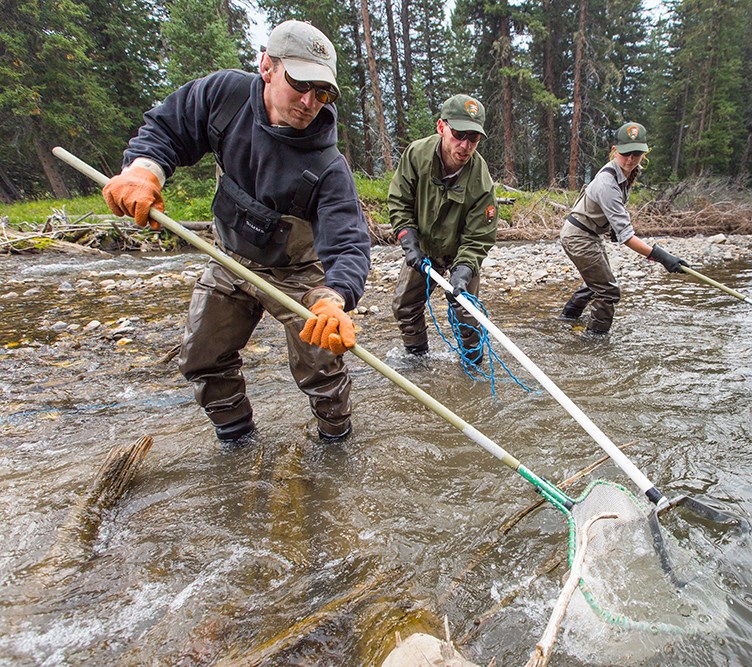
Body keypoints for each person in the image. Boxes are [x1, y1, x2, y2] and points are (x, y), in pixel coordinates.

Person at [101, 20, 370, 445]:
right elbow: (168, 129)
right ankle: (238, 443)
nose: (308, 101)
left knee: (322, 368)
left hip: (298, 273)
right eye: (299, 83)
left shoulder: (329, 165)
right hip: (230, 258)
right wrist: (143, 171)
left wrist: (335, 298)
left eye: (322, 92)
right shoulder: (222, 97)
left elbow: (349, 241)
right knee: (202, 358)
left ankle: (337, 441)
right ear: (267, 66)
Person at [388, 94, 498, 363]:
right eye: (459, 134)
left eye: (473, 138)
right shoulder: (416, 155)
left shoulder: (481, 181)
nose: (465, 145)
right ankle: (417, 358)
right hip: (423, 246)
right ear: (441, 127)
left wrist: (464, 270)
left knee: (466, 311)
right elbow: (399, 201)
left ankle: (473, 364)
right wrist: (408, 240)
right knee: (404, 306)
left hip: (461, 250)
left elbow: (479, 237)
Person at [559, 122, 689, 335]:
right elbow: (627, 237)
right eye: (625, 154)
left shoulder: (627, 173)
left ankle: (567, 317)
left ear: (644, 154)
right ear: (614, 151)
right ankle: (594, 341)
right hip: (579, 236)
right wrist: (664, 258)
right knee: (608, 291)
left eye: (636, 154)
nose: (630, 160)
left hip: (588, 233)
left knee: (599, 282)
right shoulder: (607, 182)